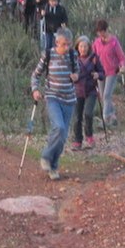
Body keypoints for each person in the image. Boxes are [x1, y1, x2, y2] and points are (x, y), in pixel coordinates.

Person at [30, 28, 79, 181]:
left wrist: (76, 76)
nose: (66, 48)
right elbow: (35, 74)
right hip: (52, 97)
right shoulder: (49, 54)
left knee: (62, 136)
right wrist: (35, 90)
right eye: (63, 44)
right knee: (59, 126)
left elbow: (77, 71)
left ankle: (53, 166)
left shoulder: (73, 54)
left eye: (68, 45)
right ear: (57, 42)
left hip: (69, 99)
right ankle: (45, 156)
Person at [92, 19, 125, 126]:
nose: (100, 34)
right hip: (100, 72)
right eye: (98, 32)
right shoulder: (97, 42)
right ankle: (112, 116)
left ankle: (105, 119)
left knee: (107, 95)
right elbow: (93, 55)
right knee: (103, 96)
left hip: (112, 71)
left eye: (102, 32)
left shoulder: (114, 42)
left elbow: (121, 57)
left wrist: (123, 66)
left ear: (106, 30)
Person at [72, 36, 105, 150]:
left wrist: (97, 75)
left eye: (85, 46)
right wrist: (71, 77)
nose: (83, 49)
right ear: (77, 47)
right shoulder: (73, 58)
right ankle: (77, 140)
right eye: (81, 46)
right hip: (77, 91)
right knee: (77, 117)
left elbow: (102, 73)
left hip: (91, 91)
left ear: (89, 47)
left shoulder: (94, 58)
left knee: (88, 113)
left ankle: (89, 136)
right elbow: (69, 73)